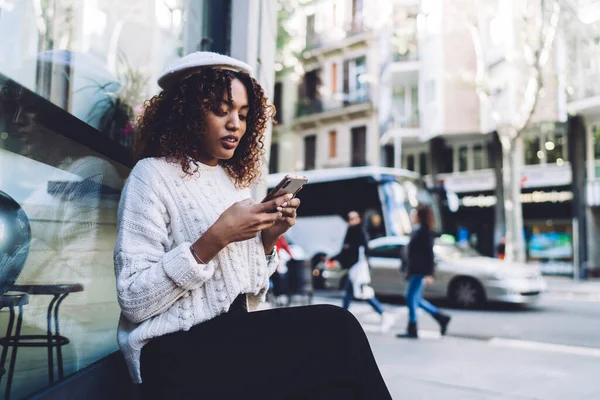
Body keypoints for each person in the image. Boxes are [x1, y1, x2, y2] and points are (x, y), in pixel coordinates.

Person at [114, 52, 392, 400]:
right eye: (222, 110)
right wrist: (214, 240)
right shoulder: (151, 175)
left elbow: (249, 291)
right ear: (185, 112)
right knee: (338, 329)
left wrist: (267, 241)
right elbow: (134, 300)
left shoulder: (234, 181)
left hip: (233, 336)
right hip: (173, 350)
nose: (236, 125)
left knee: (334, 371)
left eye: (243, 115)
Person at [397, 205, 451, 339]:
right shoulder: (418, 230)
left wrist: (429, 273)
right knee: (416, 299)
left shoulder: (425, 232)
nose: (412, 216)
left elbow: (429, 254)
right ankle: (441, 317)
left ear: (420, 216)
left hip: (419, 271)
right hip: (415, 270)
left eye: (415, 214)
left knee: (410, 297)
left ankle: (413, 327)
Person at [334, 211, 394, 332]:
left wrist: (343, 253)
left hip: (358, 269)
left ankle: (383, 313)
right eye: (349, 218)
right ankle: (341, 319)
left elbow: (355, 250)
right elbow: (346, 250)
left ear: (359, 219)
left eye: (353, 218)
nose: (351, 221)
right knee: (349, 294)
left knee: (363, 293)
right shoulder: (353, 231)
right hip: (354, 268)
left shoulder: (358, 232)